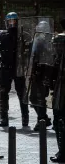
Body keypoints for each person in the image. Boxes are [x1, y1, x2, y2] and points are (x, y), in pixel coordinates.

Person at [0, 12, 29, 127]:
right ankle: (4, 118)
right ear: (7, 22)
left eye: (14, 21)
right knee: (3, 93)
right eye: (10, 21)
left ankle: (25, 117)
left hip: (18, 67)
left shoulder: (22, 35)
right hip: (5, 67)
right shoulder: (2, 35)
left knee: (22, 93)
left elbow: (29, 47)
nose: (12, 23)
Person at [29, 21, 52, 131]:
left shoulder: (44, 41)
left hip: (42, 73)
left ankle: (41, 120)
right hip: (38, 73)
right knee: (34, 98)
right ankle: (44, 118)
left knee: (38, 98)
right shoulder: (39, 40)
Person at [50, 18, 65, 163]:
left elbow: (53, 64)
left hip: (62, 88)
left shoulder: (60, 40)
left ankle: (62, 152)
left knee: (60, 121)